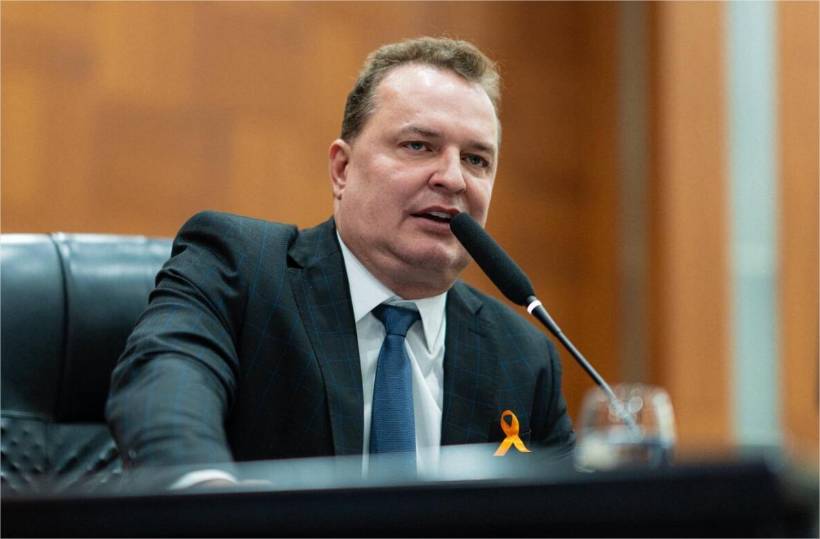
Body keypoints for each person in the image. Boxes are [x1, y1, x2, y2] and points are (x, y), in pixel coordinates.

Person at [106, 36, 575, 488]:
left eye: (476, 160)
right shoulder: (239, 268)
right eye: (419, 146)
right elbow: (162, 387)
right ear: (342, 169)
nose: (453, 179)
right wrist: (207, 495)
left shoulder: (524, 357)